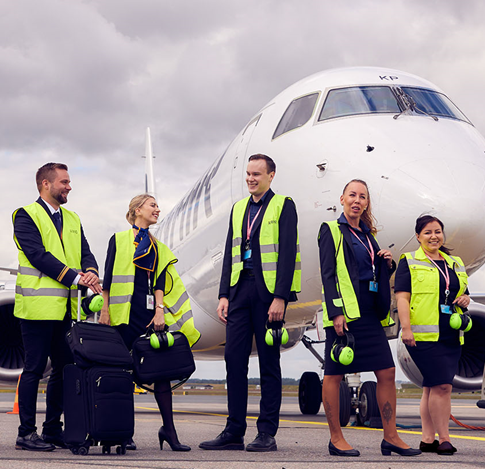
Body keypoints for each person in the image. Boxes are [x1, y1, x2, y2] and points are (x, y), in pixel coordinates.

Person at [200, 154, 300, 452]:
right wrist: (223, 295)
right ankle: (234, 430)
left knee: (269, 362)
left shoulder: (284, 205)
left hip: (268, 293)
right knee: (234, 360)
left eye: (256, 174)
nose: (250, 179)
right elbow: (230, 253)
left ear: (271, 175)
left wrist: (281, 297)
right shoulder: (238, 208)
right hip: (239, 290)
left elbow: (287, 254)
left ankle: (267, 432)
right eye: (248, 174)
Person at [319, 179, 419, 457]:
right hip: (346, 313)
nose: (357, 200)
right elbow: (328, 274)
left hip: (370, 312)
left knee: (386, 372)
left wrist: (384, 262)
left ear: (366, 203)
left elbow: (371, 274)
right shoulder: (331, 230)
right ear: (342, 199)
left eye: (362, 197)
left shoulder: (367, 235)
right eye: (352, 195)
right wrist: (337, 312)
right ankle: (336, 438)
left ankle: (390, 437)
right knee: (334, 373)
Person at [98, 194, 201, 451]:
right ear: (137, 209)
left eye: (157, 206)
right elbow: (108, 278)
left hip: (148, 316)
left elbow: (159, 284)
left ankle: (169, 431)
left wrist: (159, 311)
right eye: (153, 205)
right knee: (122, 376)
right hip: (122, 316)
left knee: (161, 373)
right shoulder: (119, 240)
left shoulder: (157, 246)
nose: (158, 209)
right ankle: (124, 433)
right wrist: (105, 310)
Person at [12, 162, 102, 451]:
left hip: (66, 310)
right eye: (64, 182)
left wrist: (91, 272)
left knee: (65, 369)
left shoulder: (73, 219)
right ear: (46, 184)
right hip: (37, 309)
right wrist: (77, 277)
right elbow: (38, 255)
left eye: (69, 181)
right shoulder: (26, 215)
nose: (69, 186)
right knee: (34, 369)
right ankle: (26, 433)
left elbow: (85, 252)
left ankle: (52, 429)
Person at [395, 215, 469, 455]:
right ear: (418, 236)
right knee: (442, 387)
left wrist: (466, 299)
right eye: (427, 232)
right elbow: (402, 298)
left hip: (451, 333)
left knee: (431, 387)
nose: (434, 236)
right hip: (423, 335)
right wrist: (405, 328)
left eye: (438, 231)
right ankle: (445, 438)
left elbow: (463, 293)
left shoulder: (455, 262)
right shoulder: (409, 261)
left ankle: (427, 439)